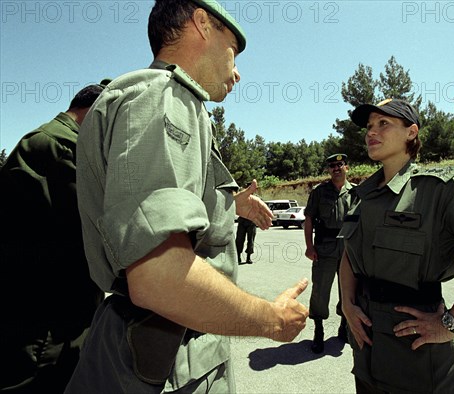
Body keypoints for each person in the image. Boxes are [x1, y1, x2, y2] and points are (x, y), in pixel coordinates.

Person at [65, 1, 308, 393]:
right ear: (202, 25)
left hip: (158, 349)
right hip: (166, 360)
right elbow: (160, 276)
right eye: (234, 50)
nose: (238, 71)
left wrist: (231, 203)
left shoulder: (152, 98)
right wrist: (273, 320)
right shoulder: (165, 99)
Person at [338, 98, 454, 393]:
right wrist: (347, 303)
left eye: (383, 123)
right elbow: (348, 253)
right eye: (370, 126)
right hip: (367, 349)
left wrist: (451, 324)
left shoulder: (441, 189)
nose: (371, 132)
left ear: (411, 132)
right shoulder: (362, 194)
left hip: (419, 357)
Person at [0, 82, 108, 392]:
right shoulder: (63, 146)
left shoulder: (53, 142)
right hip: (46, 327)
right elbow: (97, 230)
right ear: (95, 113)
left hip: (51, 320)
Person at [304, 153, 355, 353]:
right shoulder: (319, 192)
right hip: (324, 247)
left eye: (340, 164)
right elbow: (309, 219)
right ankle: (318, 331)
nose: (336, 168)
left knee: (348, 290)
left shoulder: (355, 192)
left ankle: (344, 326)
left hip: (348, 249)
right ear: (329, 170)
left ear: (346, 167)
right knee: (320, 291)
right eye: (332, 166)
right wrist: (309, 246)